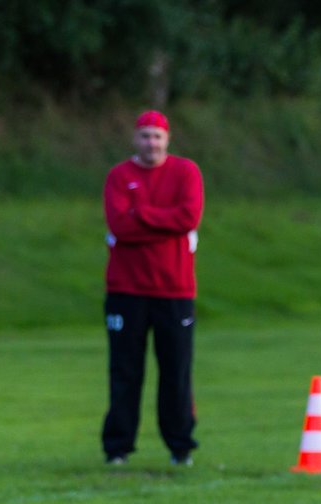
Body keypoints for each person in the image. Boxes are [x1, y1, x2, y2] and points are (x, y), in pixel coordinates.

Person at [101, 110, 204, 466]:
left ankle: (180, 446)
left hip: (174, 290)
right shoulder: (119, 176)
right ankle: (117, 448)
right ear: (135, 139)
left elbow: (188, 218)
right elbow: (120, 225)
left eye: (157, 136)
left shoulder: (186, 172)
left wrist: (141, 213)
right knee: (125, 371)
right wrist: (163, 221)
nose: (151, 142)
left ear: (167, 139)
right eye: (145, 135)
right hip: (125, 290)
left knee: (176, 370)